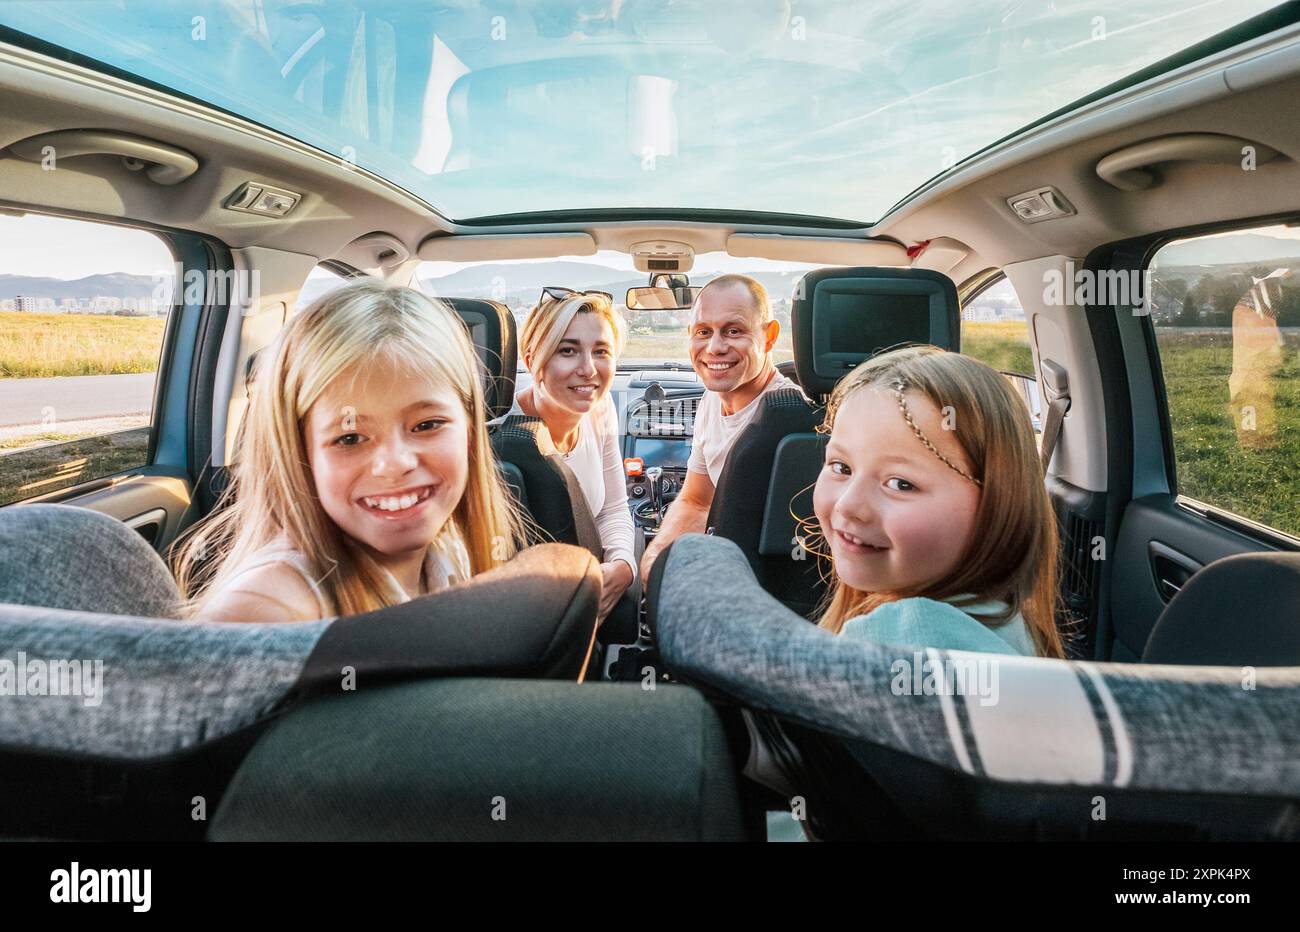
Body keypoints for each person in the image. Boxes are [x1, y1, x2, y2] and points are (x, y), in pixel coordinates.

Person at [172, 279, 527, 622]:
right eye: (350, 438)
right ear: (300, 453)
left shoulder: (450, 551)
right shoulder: (271, 608)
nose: (395, 464)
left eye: (427, 425)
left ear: (469, 428)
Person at [809, 344, 1065, 658]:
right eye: (841, 467)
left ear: (997, 502)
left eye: (901, 484)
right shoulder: (998, 615)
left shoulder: (903, 637)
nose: (848, 505)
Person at [639, 274, 800, 580]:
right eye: (703, 332)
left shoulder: (789, 421)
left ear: (769, 336)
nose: (714, 347)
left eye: (733, 331)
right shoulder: (711, 399)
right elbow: (697, 500)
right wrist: (654, 559)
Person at [507, 287, 636, 624]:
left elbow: (613, 508)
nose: (589, 369)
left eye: (601, 351)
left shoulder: (601, 408)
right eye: (568, 350)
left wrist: (624, 566)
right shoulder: (499, 429)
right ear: (532, 357)